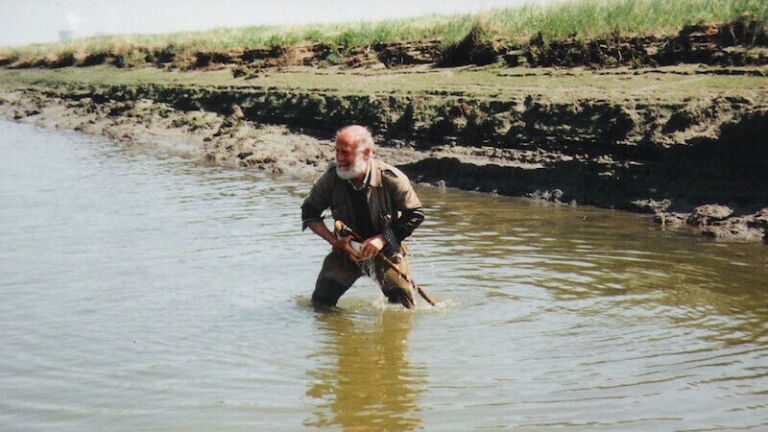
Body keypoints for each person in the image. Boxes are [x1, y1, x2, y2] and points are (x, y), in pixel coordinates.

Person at [301, 125, 425, 309]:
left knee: (403, 307)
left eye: (345, 153)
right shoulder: (330, 178)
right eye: (337, 152)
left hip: (387, 251)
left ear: (366, 153)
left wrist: (382, 239)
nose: (339, 159)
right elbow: (309, 214)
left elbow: (415, 215)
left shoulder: (391, 178)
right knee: (321, 303)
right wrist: (335, 243)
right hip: (346, 251)